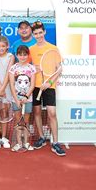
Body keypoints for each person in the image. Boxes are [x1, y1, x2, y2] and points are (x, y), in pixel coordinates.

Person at [29, 21, 65, 156]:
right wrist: (33, 68)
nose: (38, 35)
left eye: (40, 33)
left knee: (52, 113)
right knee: (37, 112)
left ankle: (55, 142)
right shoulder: (31, 49)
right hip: (35, 86)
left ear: (44, 32)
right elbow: (28, 67)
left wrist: (49, 83)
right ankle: (42, 137)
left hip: (49, 86)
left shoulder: (53, 48)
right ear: (33, 35)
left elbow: (59, 70)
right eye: (35, 33)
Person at [8, 45, 36, 152]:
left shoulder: (31, 68)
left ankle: (26, 142)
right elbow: (11, 85)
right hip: (16, 100)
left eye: (25, 55)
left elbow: (32, 85)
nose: (23, 57)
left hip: (27, 100)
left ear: (28, 55)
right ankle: (19, 143)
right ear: (17, 55)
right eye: (20, 55)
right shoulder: (13, 68)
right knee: (18, 121)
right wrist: (16, 99)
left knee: (26, 122)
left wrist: (26, 96)